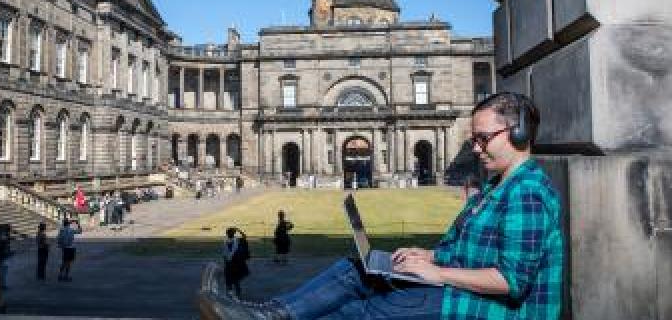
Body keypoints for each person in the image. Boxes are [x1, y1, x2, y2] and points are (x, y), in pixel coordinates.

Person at [198, 92, 564, 320]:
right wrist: (429, 256)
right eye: (474, 140)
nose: (476, 148)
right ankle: (265, 313)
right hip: (461, 292)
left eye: (483, 139)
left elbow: (512, 281)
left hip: (493, 310)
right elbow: (469, 251)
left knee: (367, 310)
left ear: (517, 134)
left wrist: (438, 273)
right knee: (355, 269)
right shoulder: (498, 186)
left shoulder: (526, 192)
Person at [222, 227, 251, 298]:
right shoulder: (235, 241)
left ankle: (233, 294)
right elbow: (244, 236)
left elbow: (224, 254)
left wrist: (238, 230)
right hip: (233, 263)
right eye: (229, 233)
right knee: (234, 279)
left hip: (232, 263)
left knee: (231, 279)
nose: (229, 234)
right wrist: (238, 230)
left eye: (229, 233)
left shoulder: (229, 241)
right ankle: (236, 294)